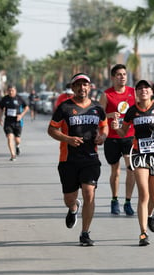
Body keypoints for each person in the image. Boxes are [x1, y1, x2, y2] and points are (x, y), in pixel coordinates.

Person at [111, 79, 154, 246]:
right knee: (144, 195)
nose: (143, 90)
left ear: (151, 91)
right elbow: (123, 132)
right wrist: (115, 127)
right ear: (136, 92)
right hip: (139, 154)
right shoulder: (132, 111)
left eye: (146, 88)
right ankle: (143, 233)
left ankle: (150, 215)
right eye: (139, 88)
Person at [47, 73, 108, 246]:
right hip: (68, 160)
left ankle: (85, 233)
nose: (82, 88)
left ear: (90, 87)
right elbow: (51, 130)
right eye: (78, 85)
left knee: (89, 193)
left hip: (90, 158)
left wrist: (102, 137)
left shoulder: (97, 107)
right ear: (73, 88)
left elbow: (104, 127)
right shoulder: (64, 107)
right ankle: (73, 208)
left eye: (85, 84)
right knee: (69, 198)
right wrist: (67, 139)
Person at [99, 64, 136, 216]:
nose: (122, 77)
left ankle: (128, 201)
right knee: (115, 170)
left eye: (124, 74)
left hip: (129, 136)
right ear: (113, 77)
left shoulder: (133, 92)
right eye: (119, 74)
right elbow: (99, 115)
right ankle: (114, 200)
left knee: (131, 168)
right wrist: (109, 115)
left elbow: (141, 109)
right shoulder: (106, 95)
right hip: (112, 138)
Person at [0, 85, 29, 161]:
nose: (11, 92)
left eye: (12, 90)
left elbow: (26, 107)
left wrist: (21, 115)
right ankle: (13, 155)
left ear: (15, 91)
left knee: (17, 139)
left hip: (17, 121)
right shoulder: (5, 99)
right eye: (9, 90)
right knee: (9, 137)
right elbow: (0, 108)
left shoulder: (19, 98)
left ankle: (17, 146)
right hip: (8, 121)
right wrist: (0, 118)